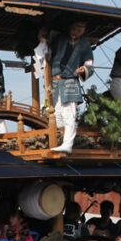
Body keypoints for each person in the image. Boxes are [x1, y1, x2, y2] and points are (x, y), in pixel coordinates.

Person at [35, 20, 94, 154]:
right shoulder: (60, 39)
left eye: (80, 30)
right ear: (70, 28)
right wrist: (43, 35)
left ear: (84, 31)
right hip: (55, 80)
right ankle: (59, 141)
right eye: (75, 28)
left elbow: (89, 64)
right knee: (56, 113)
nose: (76, 32)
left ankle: (68, 143)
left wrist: (83, 70)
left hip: (70, 80)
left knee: (69, 113)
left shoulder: (84, 44)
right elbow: (47, 45)